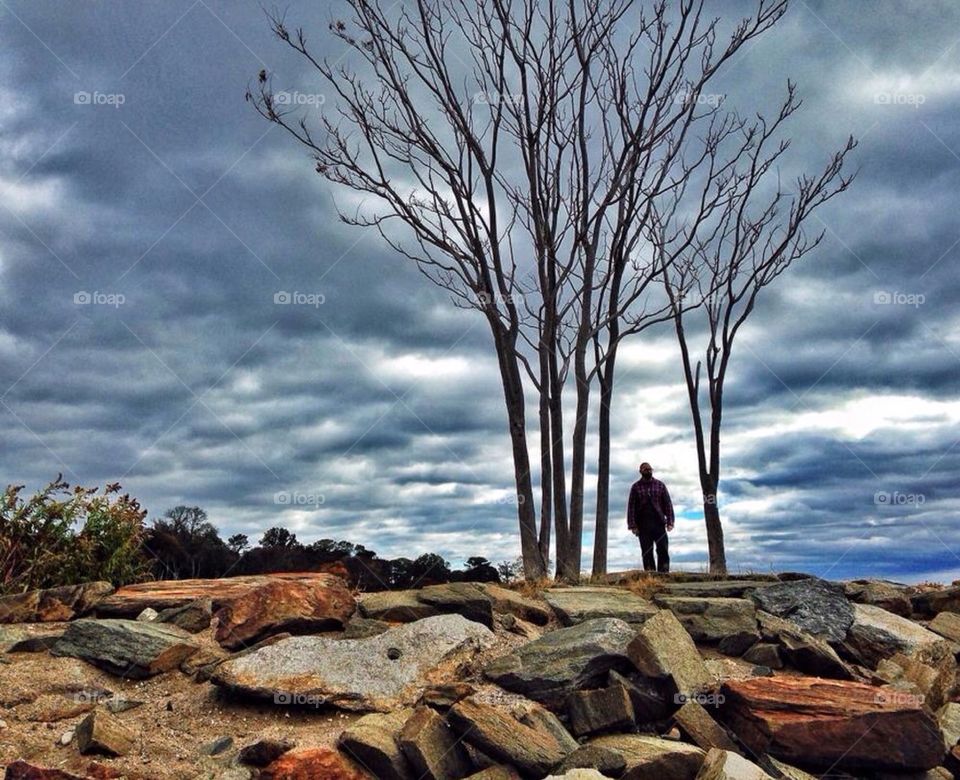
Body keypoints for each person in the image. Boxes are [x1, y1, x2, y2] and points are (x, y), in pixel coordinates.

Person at [627, 462, 675, 573]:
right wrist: (633, 525)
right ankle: (650, 575)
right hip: (643, 524)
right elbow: (631, 507)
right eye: (645, 469)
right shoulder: (635, 487)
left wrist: (670, 522)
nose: (648, 471)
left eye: (649, 469)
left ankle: (663, 573)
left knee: (663, 549)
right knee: (647, 551)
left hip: (658, 522)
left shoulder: (660, 485)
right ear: (640, 471)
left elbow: (667, 503)